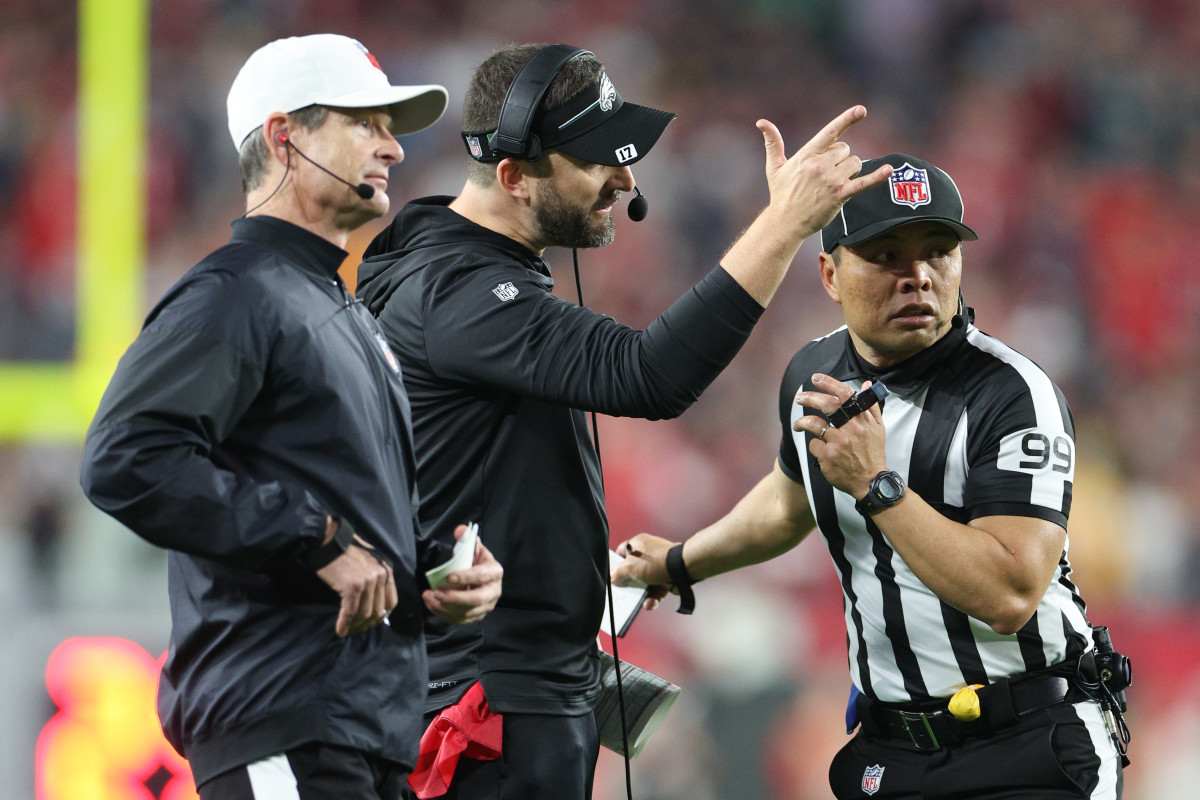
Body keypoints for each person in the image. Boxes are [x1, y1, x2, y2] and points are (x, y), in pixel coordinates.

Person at [354, 42, 889, 800]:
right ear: (513, 174)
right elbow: (649, 375)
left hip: (490, 689)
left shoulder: (433, 265)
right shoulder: (458, 290)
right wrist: (785, 224)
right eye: (598, 159)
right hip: (488, 710)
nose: (627, 181)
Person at [613, 153, 1129, 798]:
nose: (917, 277)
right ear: (829, 273)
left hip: (1026, 741)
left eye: (937, 251)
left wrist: (876, 486)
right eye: (886, 255)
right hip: (893, 750)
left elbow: (1010, 593)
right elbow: (789, 500)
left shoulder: (1014, 393)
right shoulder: (814, 371)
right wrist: (682, 562)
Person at [79, 34, 503, 799]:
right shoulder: (237, 292)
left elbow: (339, 520)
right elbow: (125, 457)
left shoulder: (343, 311)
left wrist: (432, 567)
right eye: (365, 122)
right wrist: (318, 538)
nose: (393, 149)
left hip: (355, 733)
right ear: (284, 138)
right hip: (282, 720)